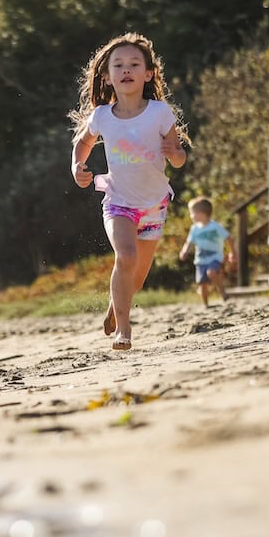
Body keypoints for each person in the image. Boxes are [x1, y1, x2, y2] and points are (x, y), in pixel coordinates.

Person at [69, 32, 189, 351]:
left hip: (154, 205)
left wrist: (174, 153)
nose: (126, 69)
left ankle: (115, 303)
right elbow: (82, 143)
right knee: (126, 256)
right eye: (118, 65)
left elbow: (178, 158)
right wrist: (77, 167)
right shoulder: (102, 116)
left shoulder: (159, 112)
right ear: (107, 77)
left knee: (136, 276)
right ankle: (125, 330)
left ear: (148, 74)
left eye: (134, 64)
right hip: (119, 201)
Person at [179, 196, 235, 306]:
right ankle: (206, 305)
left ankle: (222, 291)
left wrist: (233, 252)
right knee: (202, 284)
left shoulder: (215, 227)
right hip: (200, 260)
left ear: (201, 213)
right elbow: (189, 242)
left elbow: (229, 238)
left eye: (192, 213)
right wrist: (184, 251)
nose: (191, 216)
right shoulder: (194, 229)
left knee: (212, 272)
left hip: (215, 257)